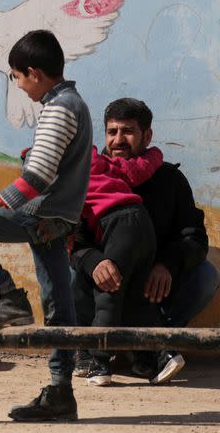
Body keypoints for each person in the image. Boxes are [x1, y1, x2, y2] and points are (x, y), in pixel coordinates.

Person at [0, 30, 92, 421]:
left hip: (44, 213)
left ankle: (9, 296)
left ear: (34, 73)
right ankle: (62, 392)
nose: (18, 85)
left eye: (17, 77)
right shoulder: (70, 103)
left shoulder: (60, 108)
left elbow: (38, 175)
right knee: (60, 306)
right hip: (59, 218)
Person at [71, 98, 218, 384]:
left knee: (206, 276)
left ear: (147, 136)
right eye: (111, 132)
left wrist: (167, 265)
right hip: (104, 282)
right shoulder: (89, 175)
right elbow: (74, 241)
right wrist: (94, 262)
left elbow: (194, 237)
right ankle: (91, 348)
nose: (118, 140)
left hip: (153, 290)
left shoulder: (170, 180)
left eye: (127, 131)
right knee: (70, 274)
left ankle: (150, 344)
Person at [71, 144, 164, 386]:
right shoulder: (100, 162)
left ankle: (99, 362)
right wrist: (155, 153)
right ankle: (164, 355)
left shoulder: (61, 172)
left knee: (108, 292)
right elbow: (137, 170)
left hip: (114, 223)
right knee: (137, 295)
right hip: (141, 221)